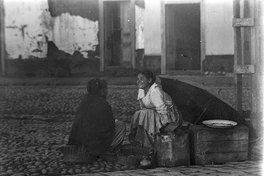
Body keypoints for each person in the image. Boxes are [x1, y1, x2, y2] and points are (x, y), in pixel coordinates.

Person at [68, 78, 126, 160]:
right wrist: (114, 122)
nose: (107, 91)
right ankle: (107, 151)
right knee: (121, 125)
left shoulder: (84, 101)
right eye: (106, 89)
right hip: (94, 144)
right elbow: (109, 127)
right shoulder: (103, 104)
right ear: (101, 91)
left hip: (81, 142)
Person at [129, 70, 182, 150]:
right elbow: (143, 108)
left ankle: (152, 144)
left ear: (149, 80)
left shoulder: (155, 90)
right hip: (154, 114)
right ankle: (142, 141)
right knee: (140, 113)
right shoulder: (141, 90)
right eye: (138, 79)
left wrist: (164, 127)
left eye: (141, 79)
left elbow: (164, 111)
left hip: (169, 117)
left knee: (146, 114)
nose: (138, 81)